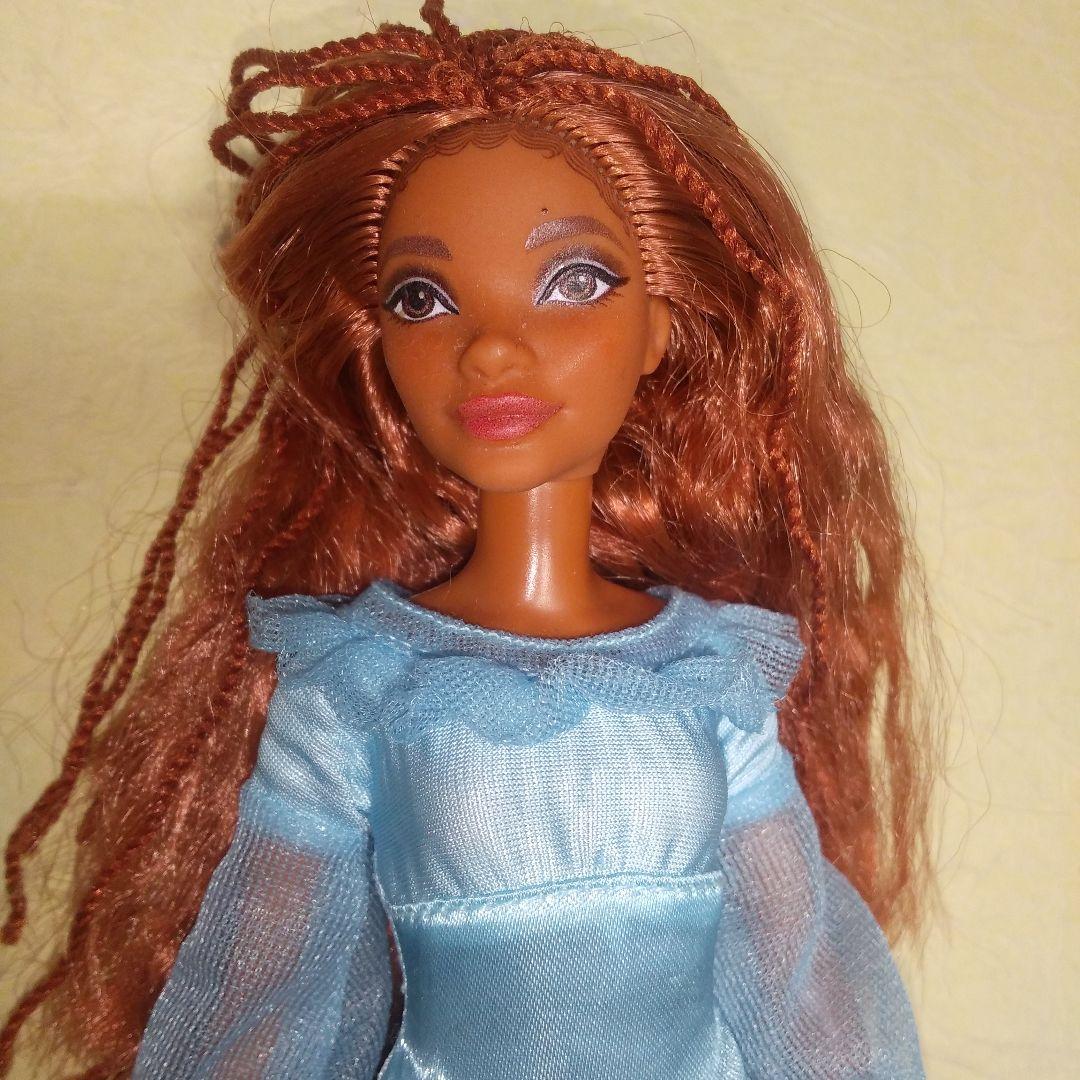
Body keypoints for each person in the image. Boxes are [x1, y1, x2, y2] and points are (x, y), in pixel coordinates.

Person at [0, 3, 937, 1076]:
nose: (491, 348)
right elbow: (270, 990)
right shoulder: (359, 683)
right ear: (377, 348)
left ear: (659, 328)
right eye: (424, 296)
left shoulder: (710, 674)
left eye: (573, 281)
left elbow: (800, 984)